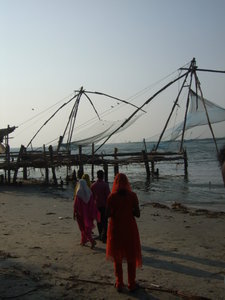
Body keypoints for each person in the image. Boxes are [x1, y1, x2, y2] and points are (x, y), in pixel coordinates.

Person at [106, 173, 142, 292]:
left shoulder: (112, 197)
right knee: (131, 256)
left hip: (116, 229)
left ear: (115, 183)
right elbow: (137, 214)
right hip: (129, 229)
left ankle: (119, 283)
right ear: (127, 182)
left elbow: (107, 214)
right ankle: (131, 283)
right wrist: (129, 210)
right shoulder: (133, 196)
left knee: (117, 257)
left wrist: (116, 212)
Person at [73, 179, 99, 249]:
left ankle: (91, 240)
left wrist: (74, 213)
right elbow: (92, 204)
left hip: (80, 214)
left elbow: (76, 205)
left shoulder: (78, 193)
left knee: (82, 228)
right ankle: (83, 240)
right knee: (87, 228)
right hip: (88, 214)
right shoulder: (89, 192)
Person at [91, 170, 110, 243]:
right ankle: (104, 236)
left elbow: (92, 197)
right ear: (103, 176)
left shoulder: (93, 185)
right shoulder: (105, 185)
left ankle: (100, 235)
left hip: (97, 205)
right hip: (104, 205)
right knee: (105, 221)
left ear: (97, 176)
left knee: (99, 221)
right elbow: (108, 196)